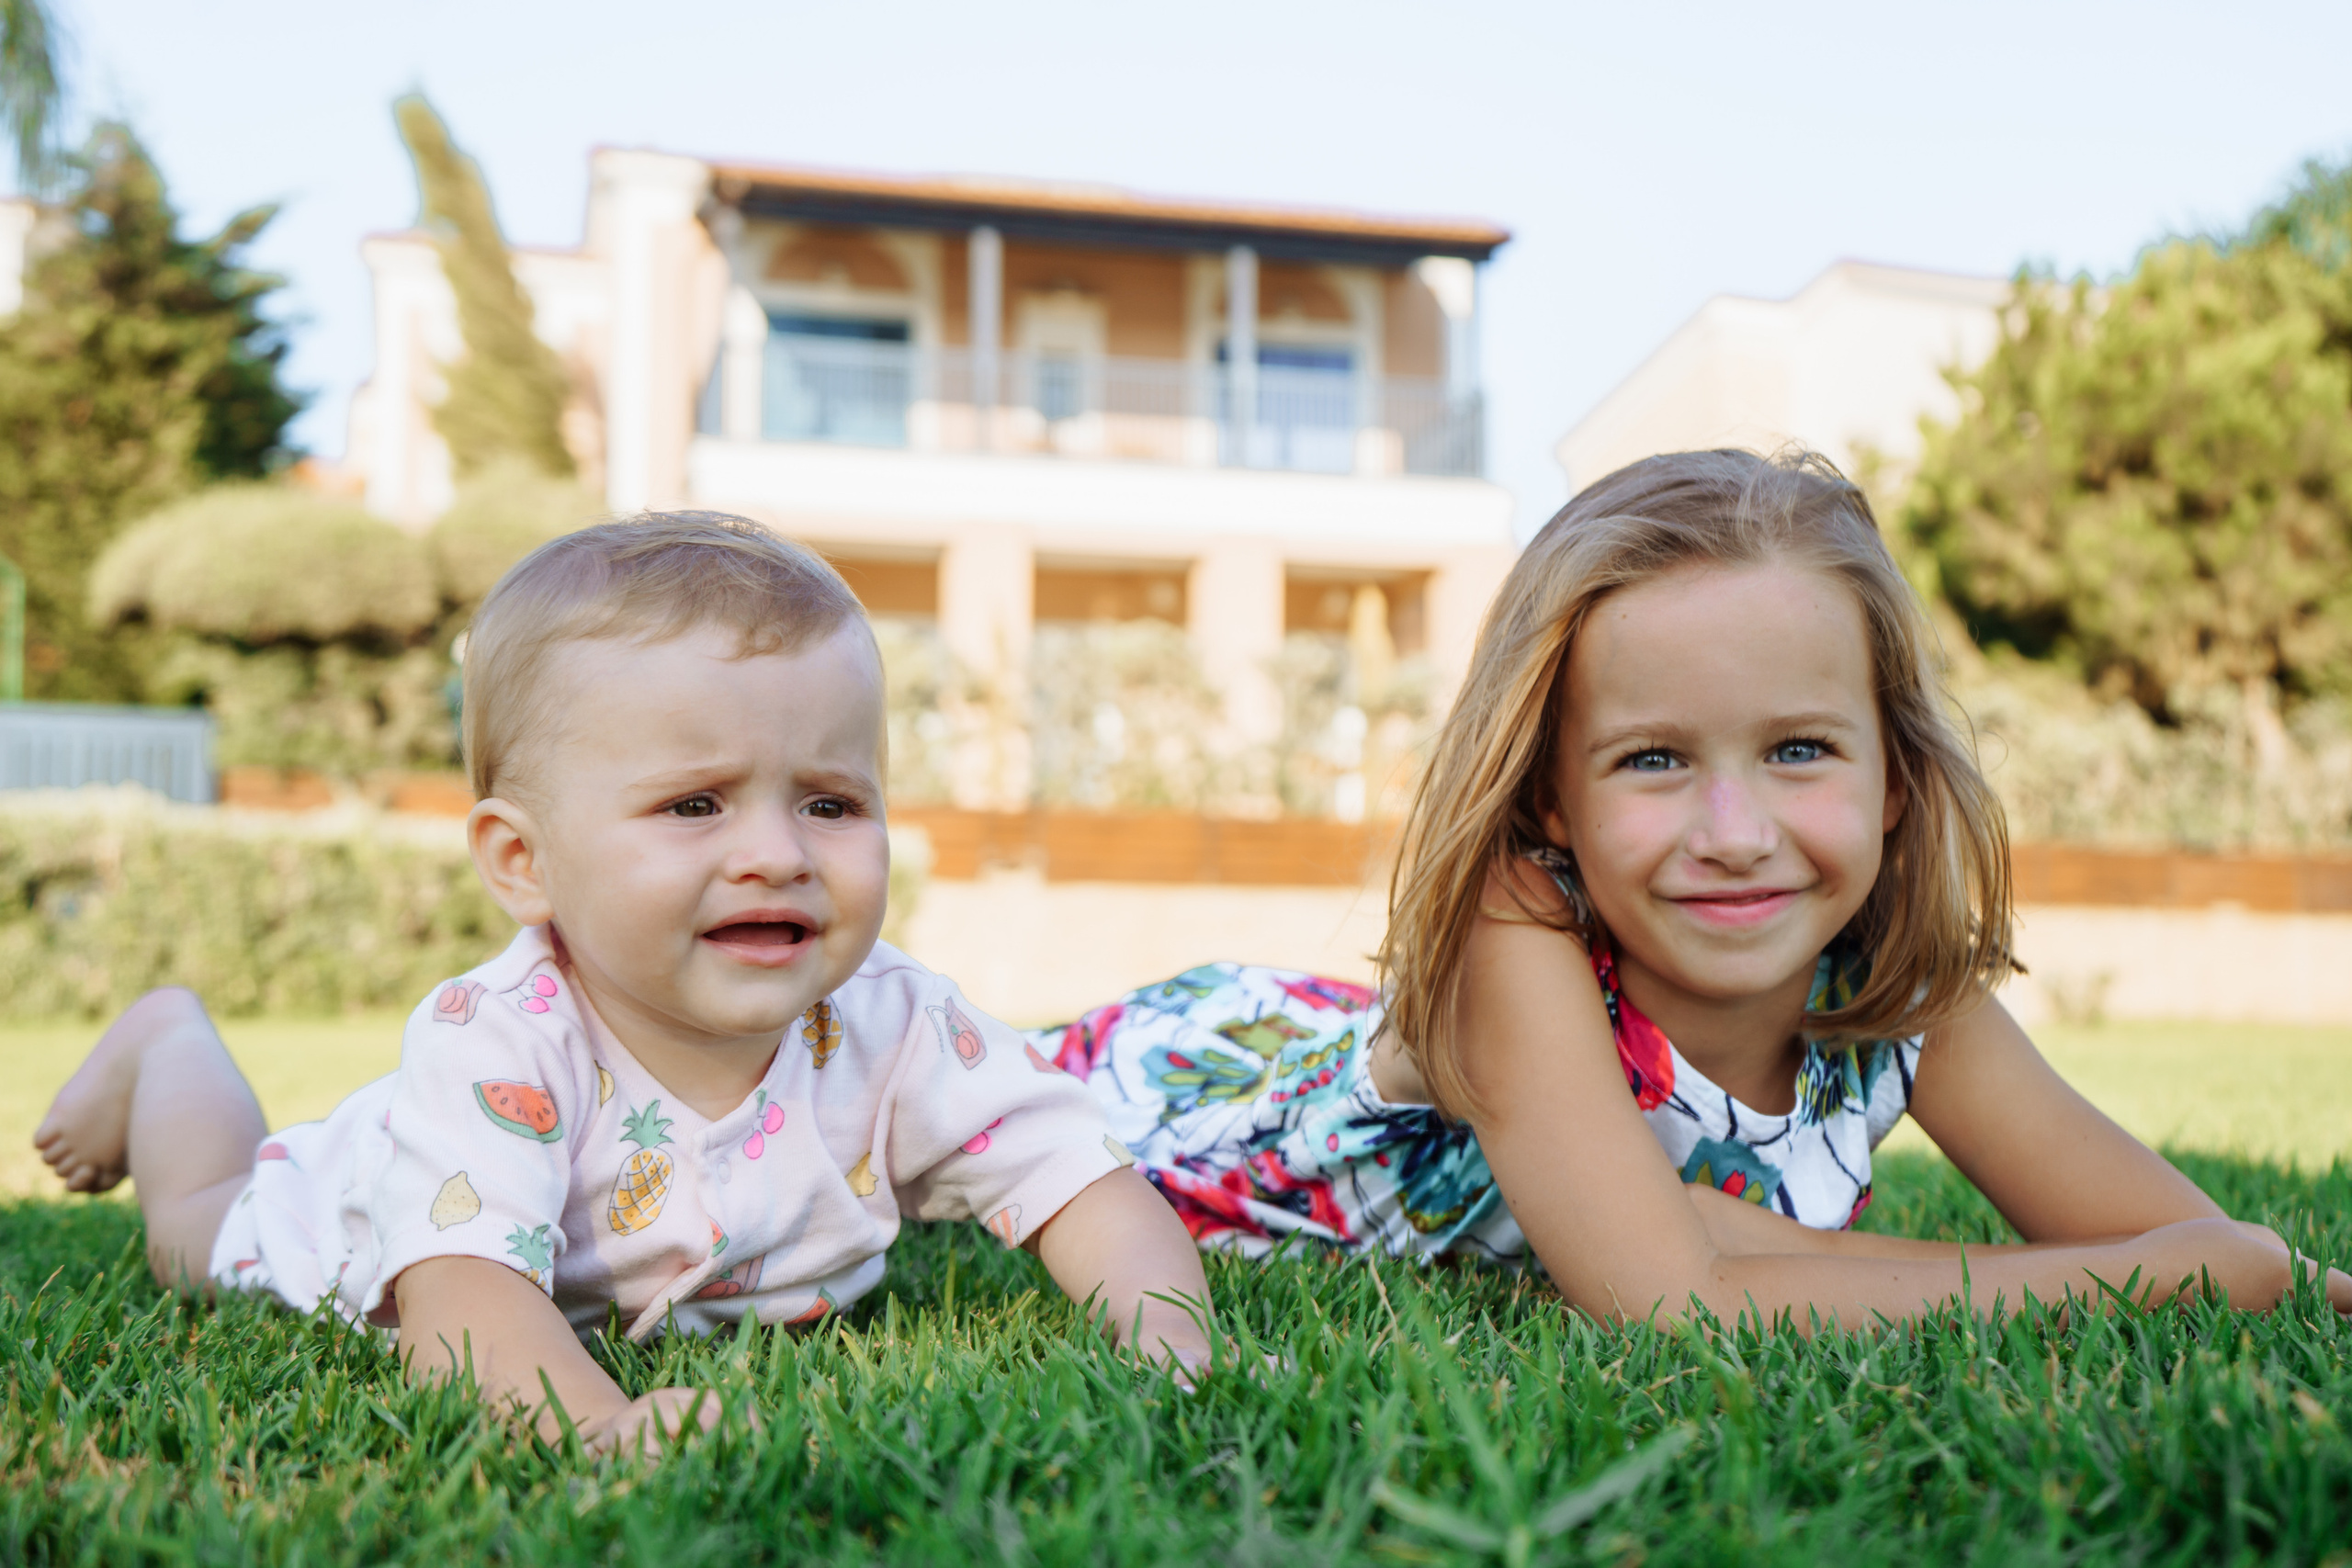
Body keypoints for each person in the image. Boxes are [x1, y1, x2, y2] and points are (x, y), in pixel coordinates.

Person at [1029, 449, 2352, 1327]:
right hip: (1172, 1089)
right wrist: (2160, 1280)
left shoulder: (1891, 982)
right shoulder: (1518, 922)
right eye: (1654, 758)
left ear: (1895, 776)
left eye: (1798, 749)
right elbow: (1668, 1300)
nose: (1734, 830)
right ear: (1551, 795)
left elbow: (2195, 1235)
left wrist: (2228, 1266)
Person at [35, 513, 1212, 1451]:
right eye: (694, 804)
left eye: (831, 802)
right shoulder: (493, 1043)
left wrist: (1175, 1342)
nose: (777, 852)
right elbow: (460, 1294)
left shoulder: (899, 1021)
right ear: (524, 861)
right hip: (325, 1221)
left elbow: (1078, 1177)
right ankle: (166, 1040)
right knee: (196, 1231)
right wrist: (591, 1423)